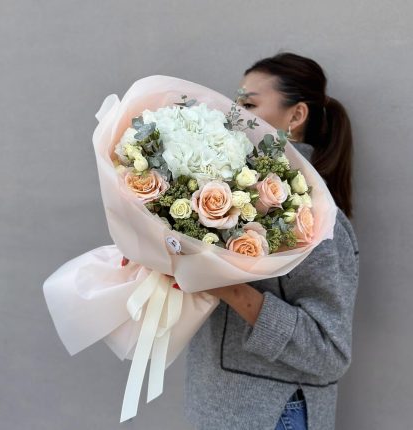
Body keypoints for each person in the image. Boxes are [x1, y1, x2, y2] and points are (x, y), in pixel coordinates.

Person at [183, 52, 360, 430]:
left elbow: (329, 353)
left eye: (248, 105)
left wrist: (230, 290)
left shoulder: (315, 220)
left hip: (275, 413)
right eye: (235, 104)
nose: (233, 115)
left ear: (296, 116)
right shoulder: (226, 193)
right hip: (218, 404)